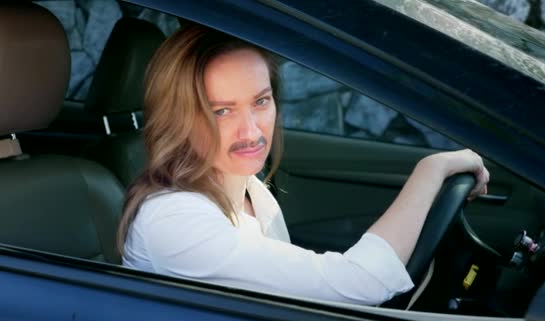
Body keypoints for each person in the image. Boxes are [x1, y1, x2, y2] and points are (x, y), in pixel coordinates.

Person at [118, 25, 490, 306]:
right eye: (221, 111)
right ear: (180, 118)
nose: (251, 131)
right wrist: (431, 170)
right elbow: (362, 284)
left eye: (260, 101)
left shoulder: (245, 185)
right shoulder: (175, 221)